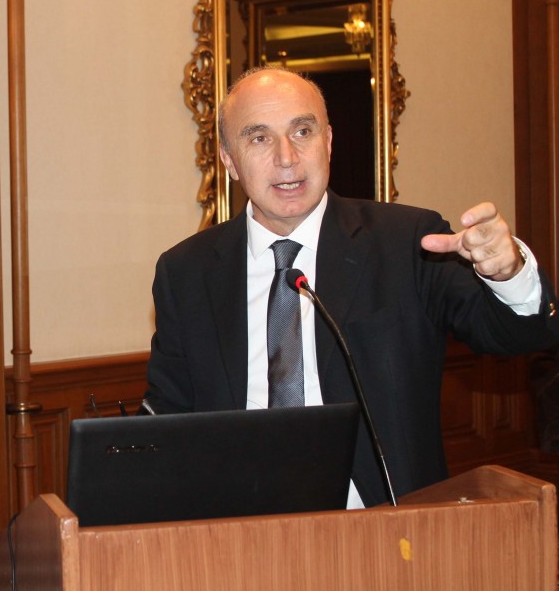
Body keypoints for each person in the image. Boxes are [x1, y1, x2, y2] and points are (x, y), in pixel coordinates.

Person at [143, 66, 559, 507]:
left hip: (386, 526)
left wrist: (507, 273)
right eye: (260, 138)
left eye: (302, 131)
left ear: (328, 141)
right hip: (238, 526)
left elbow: (519, 334)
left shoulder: (406, 242)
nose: (287, 157)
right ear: (229, 160)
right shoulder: (186, 272)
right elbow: (167, 419)